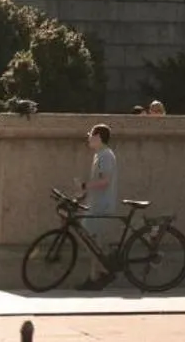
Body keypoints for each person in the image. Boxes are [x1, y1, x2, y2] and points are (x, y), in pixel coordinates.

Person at [75, 124, 119, 289]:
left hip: (101, 205)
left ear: (99, 137)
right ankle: (94, 277)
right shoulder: (100, 155)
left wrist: (85, 186)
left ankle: (104, 271)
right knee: (94, 243)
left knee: (90, 240)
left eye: (91, 135)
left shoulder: (105, 156)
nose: (88, 138)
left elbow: (105, 181)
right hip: (96, 203)